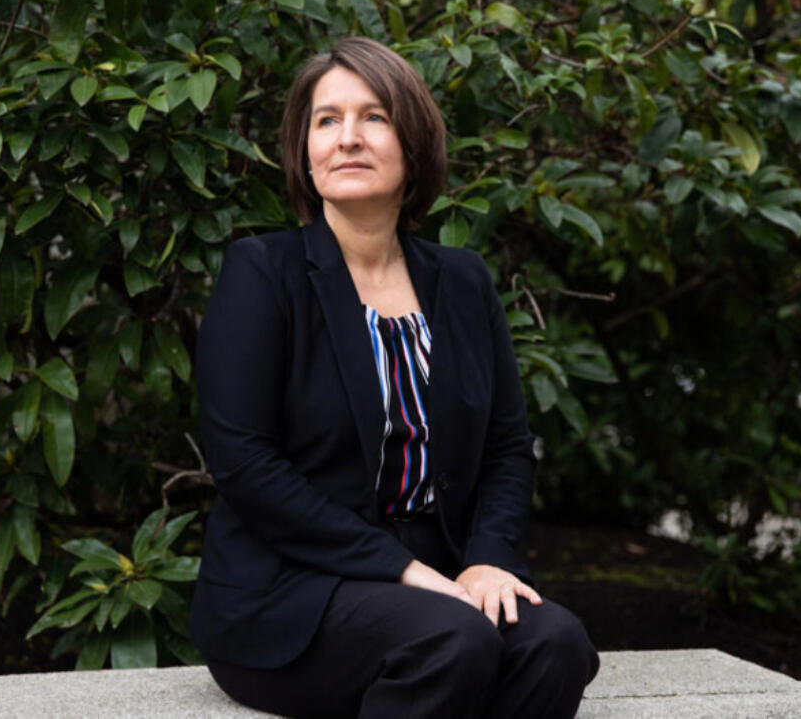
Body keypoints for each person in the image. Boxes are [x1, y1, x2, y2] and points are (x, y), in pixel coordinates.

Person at [190, 36, 599, 718]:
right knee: (453, 638)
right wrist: (406, 572)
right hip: (291, 588)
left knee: (556, 641)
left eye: (373, 116)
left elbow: (507, 446)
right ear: (303, 150)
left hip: (439, 572)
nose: (346, 137)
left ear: (414, 142)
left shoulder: (463, 281)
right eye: (326, 120)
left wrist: (489, 558)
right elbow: (246, 465)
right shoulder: (263, 273)